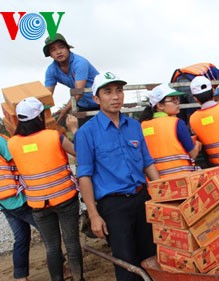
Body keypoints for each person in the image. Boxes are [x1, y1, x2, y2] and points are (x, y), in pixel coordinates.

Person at [74, 72, 160, 281]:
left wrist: (161, 194)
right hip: (114, 206)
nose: (115, 97)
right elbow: (84, 176)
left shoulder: (134, 126)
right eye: (108, 92)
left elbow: (147, 162)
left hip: (142, 198)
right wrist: (94, 215)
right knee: (126, 262)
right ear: (96, 98)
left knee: (151, 256)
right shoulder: (87, 133)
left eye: (119, 91)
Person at [7, 97, 83, 281]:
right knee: (72, 243)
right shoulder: (54, 136)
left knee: (51, 247)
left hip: (38, 204)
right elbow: (80, 153)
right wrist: (75, 130)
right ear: (40, 116)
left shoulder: (12, 143)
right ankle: (78, 278)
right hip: (65, 198)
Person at [139, 83, 202, 177]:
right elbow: (193, 154)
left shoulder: (142, 126)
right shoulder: (176, 123)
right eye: (173, 100)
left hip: (156, 184)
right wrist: (197, 144)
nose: (177, 102)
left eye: (177, 99)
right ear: (160, 105)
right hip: (181, 180)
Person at [0, 133, 38, 281]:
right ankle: (63, 269)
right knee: (48, 233)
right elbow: (15, 158)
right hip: (16, 199)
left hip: (4, 202)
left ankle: (21, 277)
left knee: (21, 237)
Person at [44, 33, 99, 124]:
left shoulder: (80, 63)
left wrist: (65, 109)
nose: (58, 52)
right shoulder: (51, 70)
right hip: (83, 106)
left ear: (68, 49)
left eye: (61, 47)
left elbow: (78, 92)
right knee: (82, 135)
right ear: (50, 55)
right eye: (53, 50)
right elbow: (47, 96)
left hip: (101, 103)